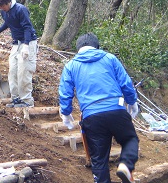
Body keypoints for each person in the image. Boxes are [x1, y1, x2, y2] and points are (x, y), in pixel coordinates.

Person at [58, 32, 139, 183]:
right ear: (97, 47)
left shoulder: (70, 66)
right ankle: (126, 166)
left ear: (78, 48)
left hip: (92, 116)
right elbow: (125, 83)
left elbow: (65, 92)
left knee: (99, 160)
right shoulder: (110, 58)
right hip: (116, 110)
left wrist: (66, 113)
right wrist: (132, 102)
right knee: (130, 139)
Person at [0, 0, 38, 108]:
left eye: (2, 5)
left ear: (8, 2)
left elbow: (27, 28)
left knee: (24, 71)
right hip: (16, 43)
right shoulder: (4, 12)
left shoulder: (21, 10)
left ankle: (27, 101)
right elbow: (8, 22)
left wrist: (26, 45)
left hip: (28, 42)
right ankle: (16, 98)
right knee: (13, 71)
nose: (1, 8)